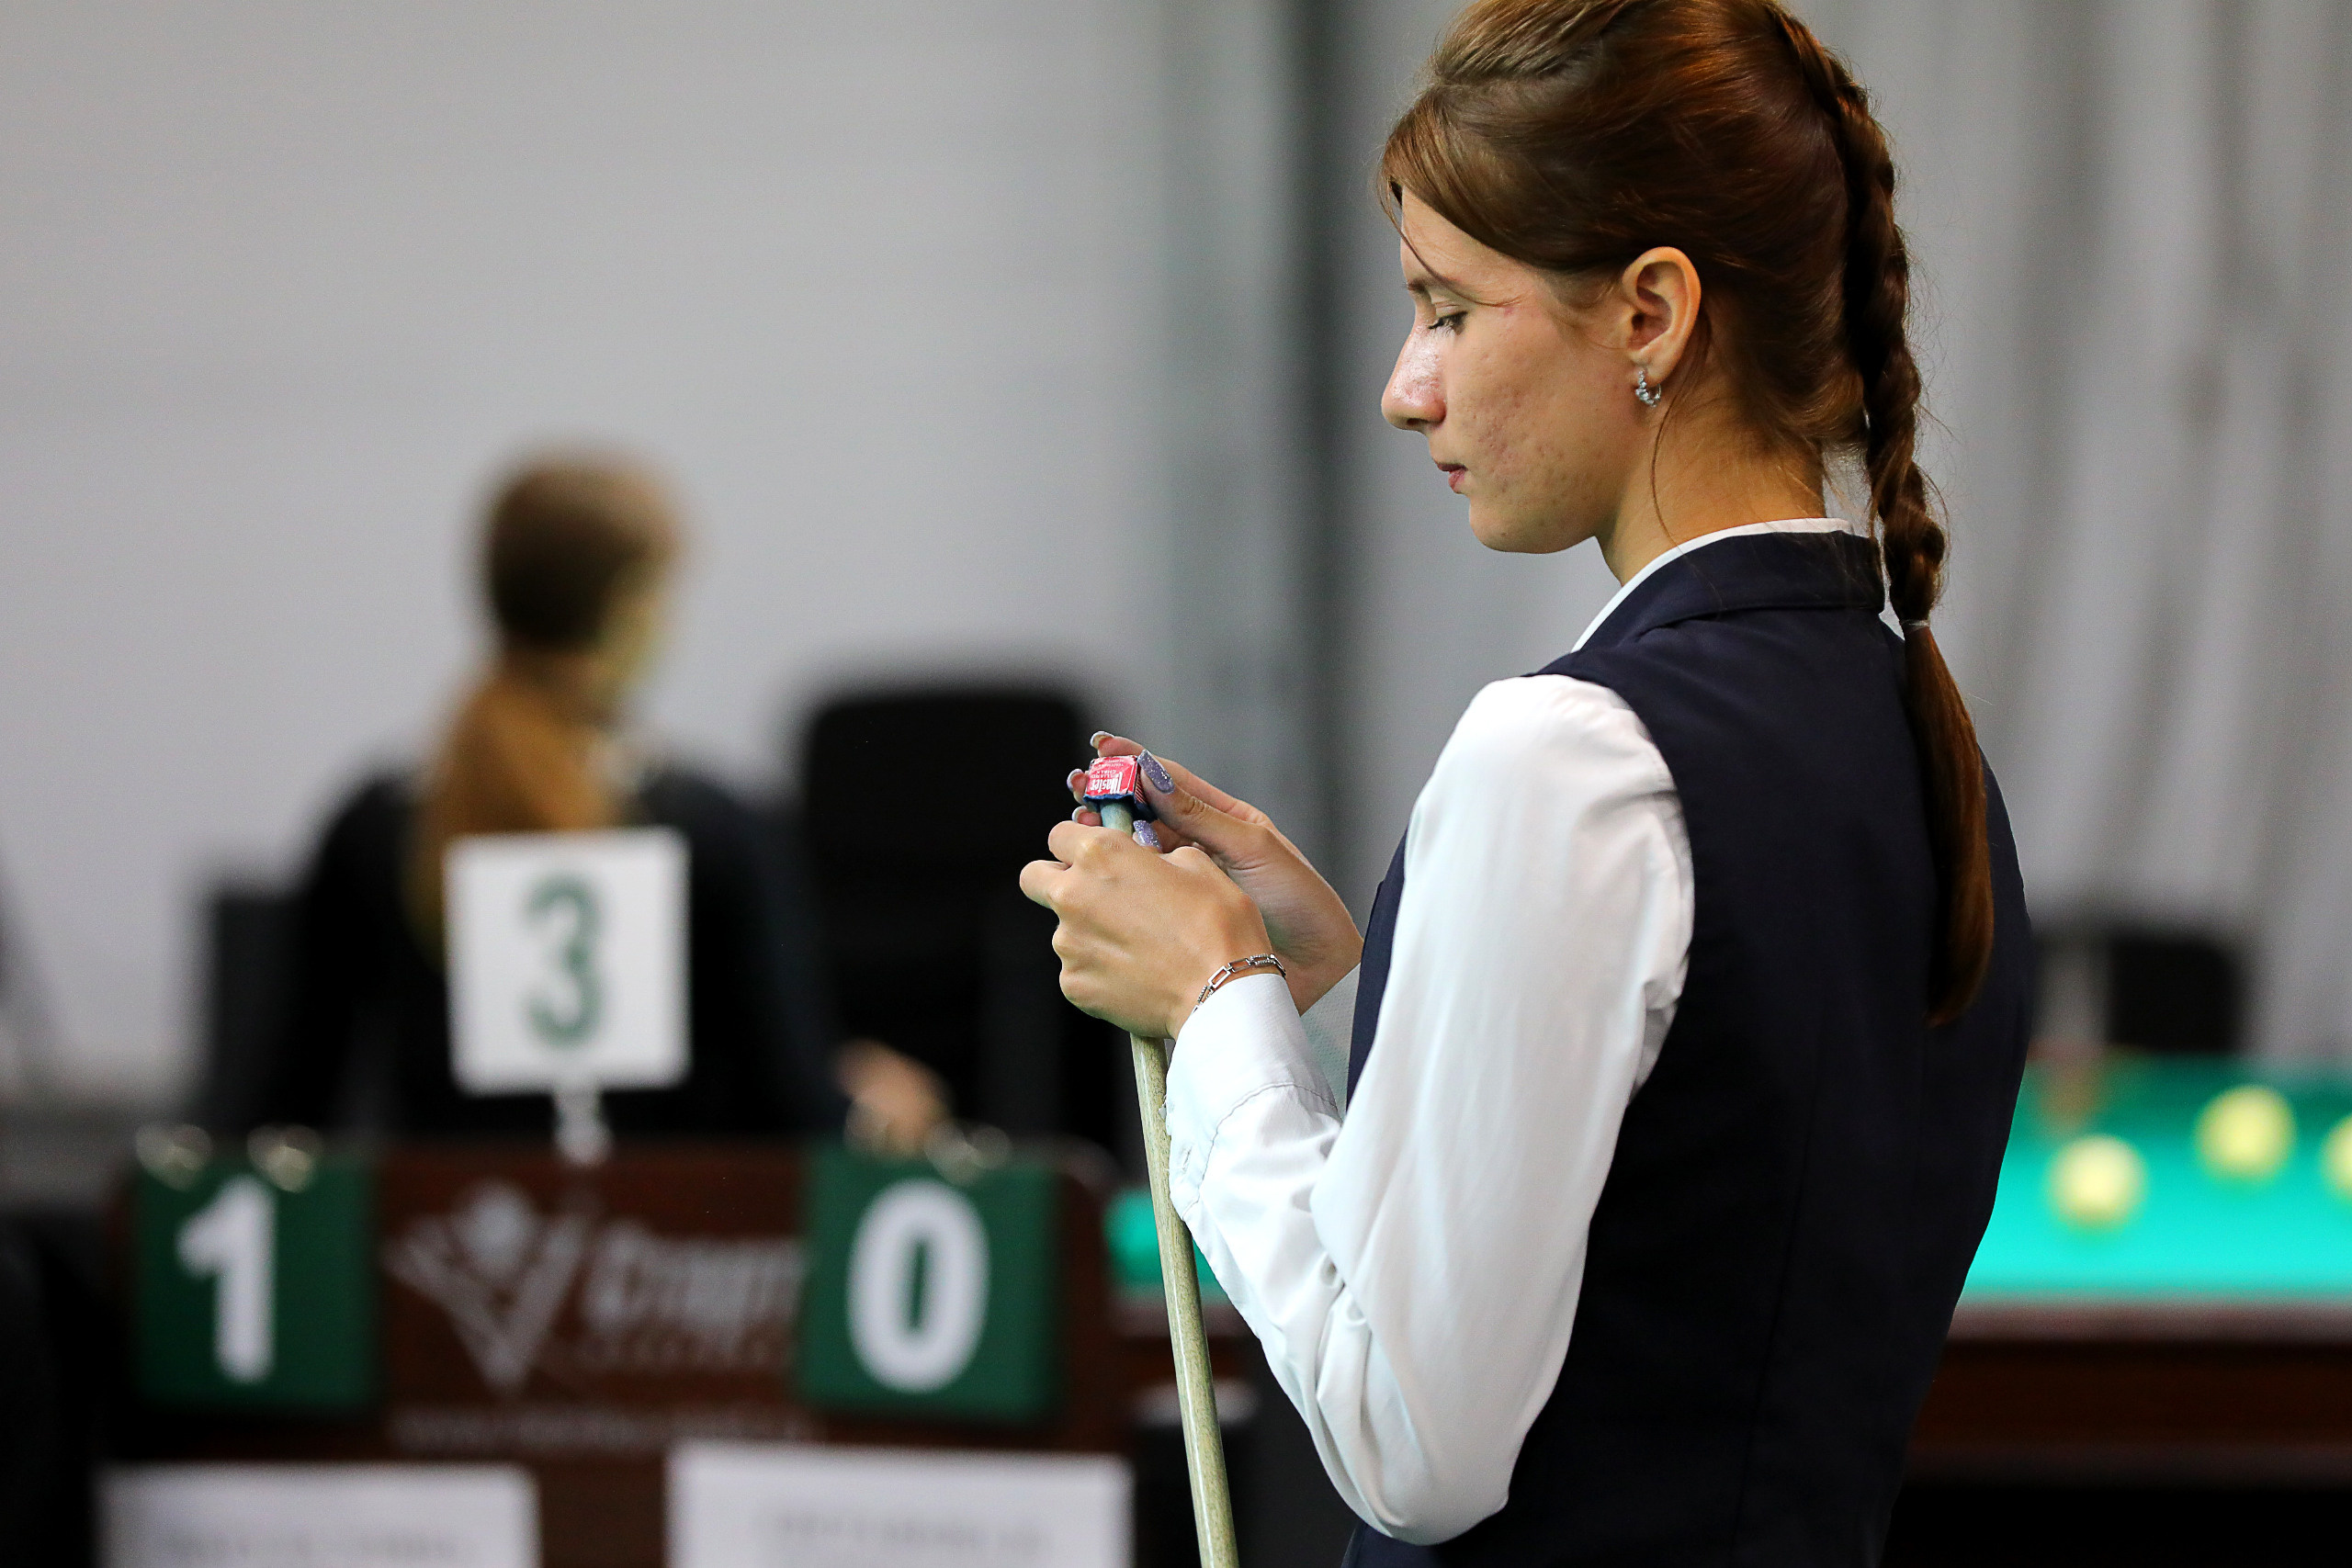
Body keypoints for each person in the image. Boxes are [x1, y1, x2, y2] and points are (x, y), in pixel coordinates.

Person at [1023, 1, 2032, 1562]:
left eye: (1446, 308)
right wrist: (1371, 973)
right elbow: (1688, 1194)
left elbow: (1404, 1438)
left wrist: (1213, 1002)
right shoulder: (1910, 720)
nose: (1403, 387)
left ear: (1649, 314)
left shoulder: (1564, 756)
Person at [254, 455, 944, 1147]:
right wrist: (884, 1111)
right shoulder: (714, 828)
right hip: (674, 1249)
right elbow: (799, 1113)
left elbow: (282, 1101)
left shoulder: (375, 823)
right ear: (632, 612)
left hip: (440, 1245)